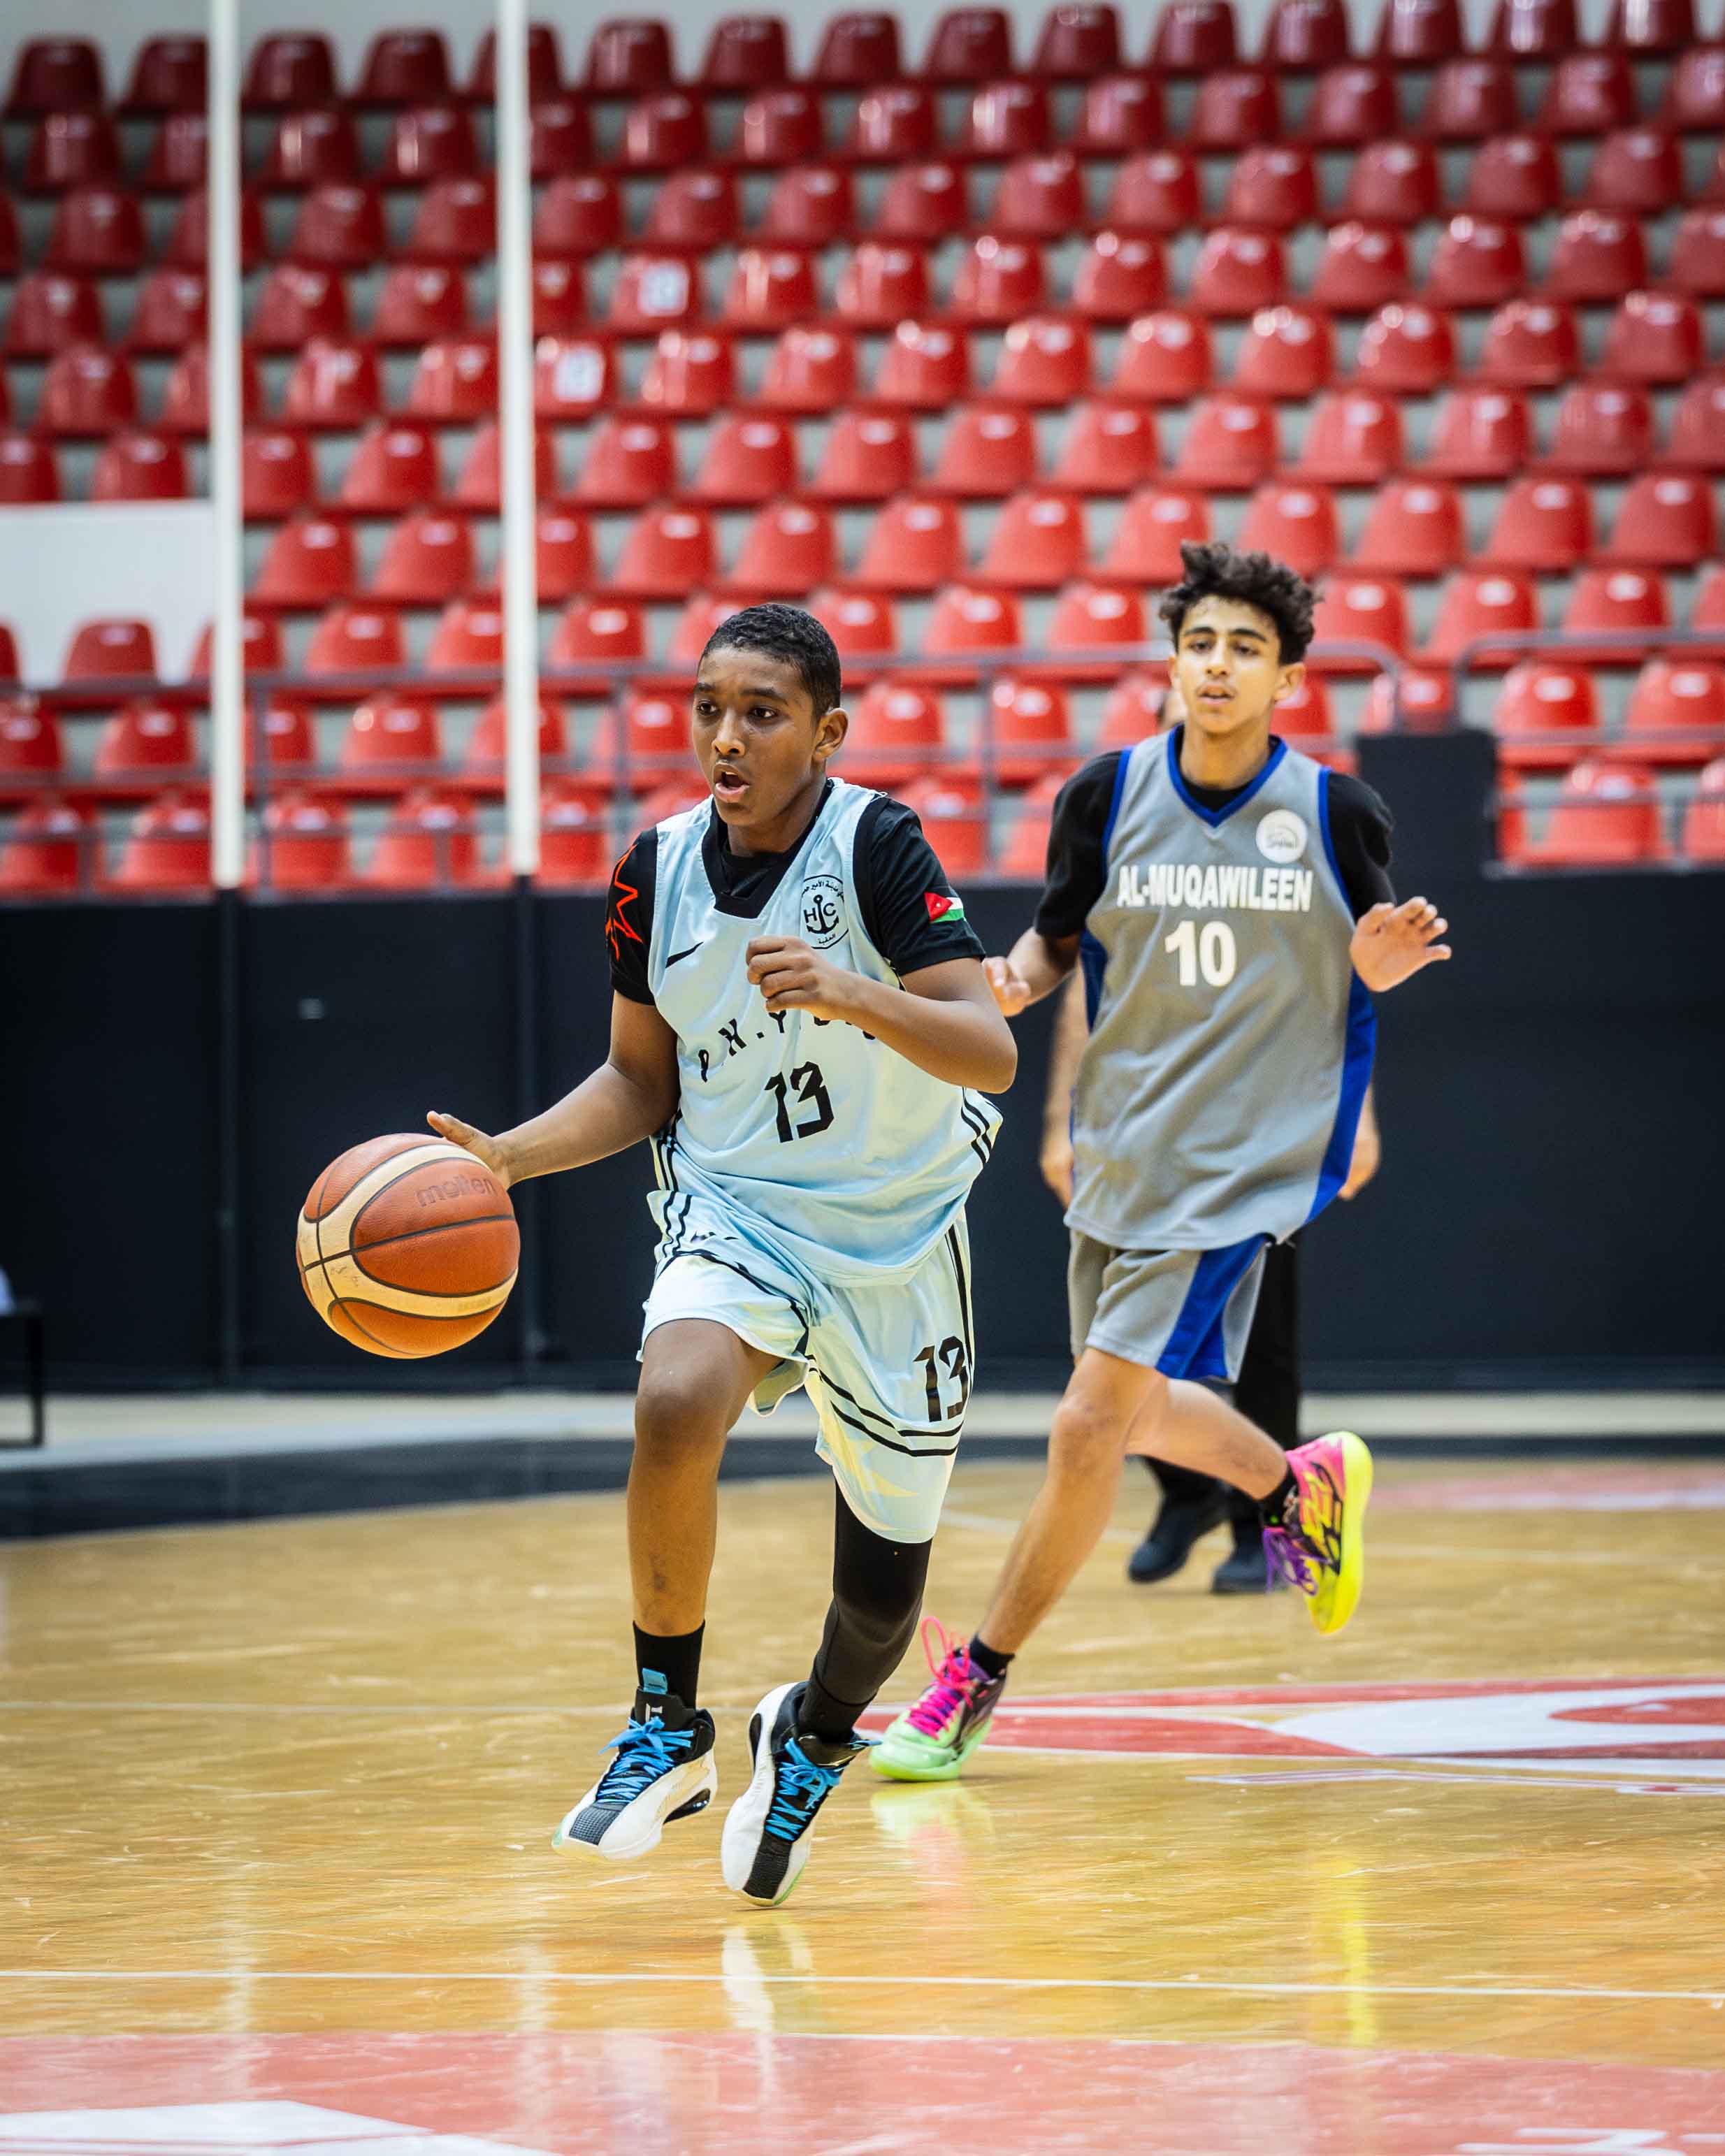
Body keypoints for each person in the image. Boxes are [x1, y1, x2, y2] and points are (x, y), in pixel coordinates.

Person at [429, 603, 1016, 1900]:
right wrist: (510, 1158)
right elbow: (640, 1081)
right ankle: (665, 1722)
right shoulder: (655, 871)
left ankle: (808, 1736)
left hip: (900, 1231)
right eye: (709, 708)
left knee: (880, 1602)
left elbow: (991, 1050)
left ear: (827, 732)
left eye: (762, 712)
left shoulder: (878, 843)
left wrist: (855, 989)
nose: (727, 736)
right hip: (739, 1204)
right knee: (675, 1397)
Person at [874, 542, 1451, 1783]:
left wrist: (1379, 966)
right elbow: (1055, 944)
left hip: (1243, 1161)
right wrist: (1006, 985)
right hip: (1125, 1144)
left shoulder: (1334, 811)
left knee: (1087, 1425)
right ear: (1172, 664)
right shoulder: (1106, 793)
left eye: (1247, 648)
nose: (1219, 666)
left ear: (1288, 679)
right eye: (1201, 644)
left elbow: (1364, 956)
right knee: (1131, 1411)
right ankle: (1297, 1488)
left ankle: (970, 1683)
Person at [1036, 683, 1386, 1597]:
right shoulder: (1129, 825)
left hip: (1264, 1134)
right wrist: (1059, 1119)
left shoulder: (1288, 834)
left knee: (1260, 1340)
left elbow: (1336, 987)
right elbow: (1081, 984)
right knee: (1117, 1356)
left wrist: (1359, 1114)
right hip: (1145, 1133)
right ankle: (1189, 1495)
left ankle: (1263, 1526)